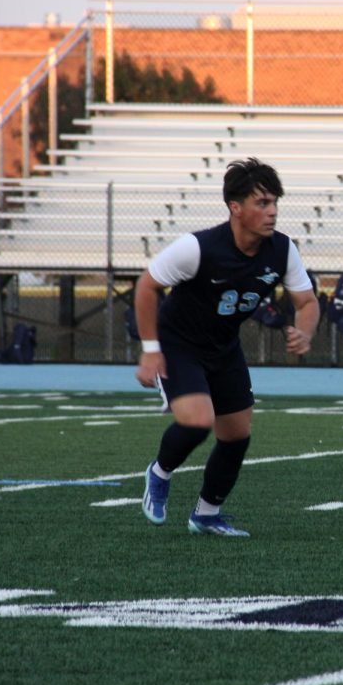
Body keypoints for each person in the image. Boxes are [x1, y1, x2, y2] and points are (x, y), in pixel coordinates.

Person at [134, 158, 319, 537]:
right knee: (198, 421)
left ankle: (206, 514)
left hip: (223, 346)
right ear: (235, 208)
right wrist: (151, 349)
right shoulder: (197, 247)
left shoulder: (283, 250)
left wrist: (306, 332)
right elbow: (146, 286)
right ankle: (159, 472)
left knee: (236, 433)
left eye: (274, 203)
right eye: (262, 203)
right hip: (179, 344)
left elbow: (307, 302)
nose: (271, 212)